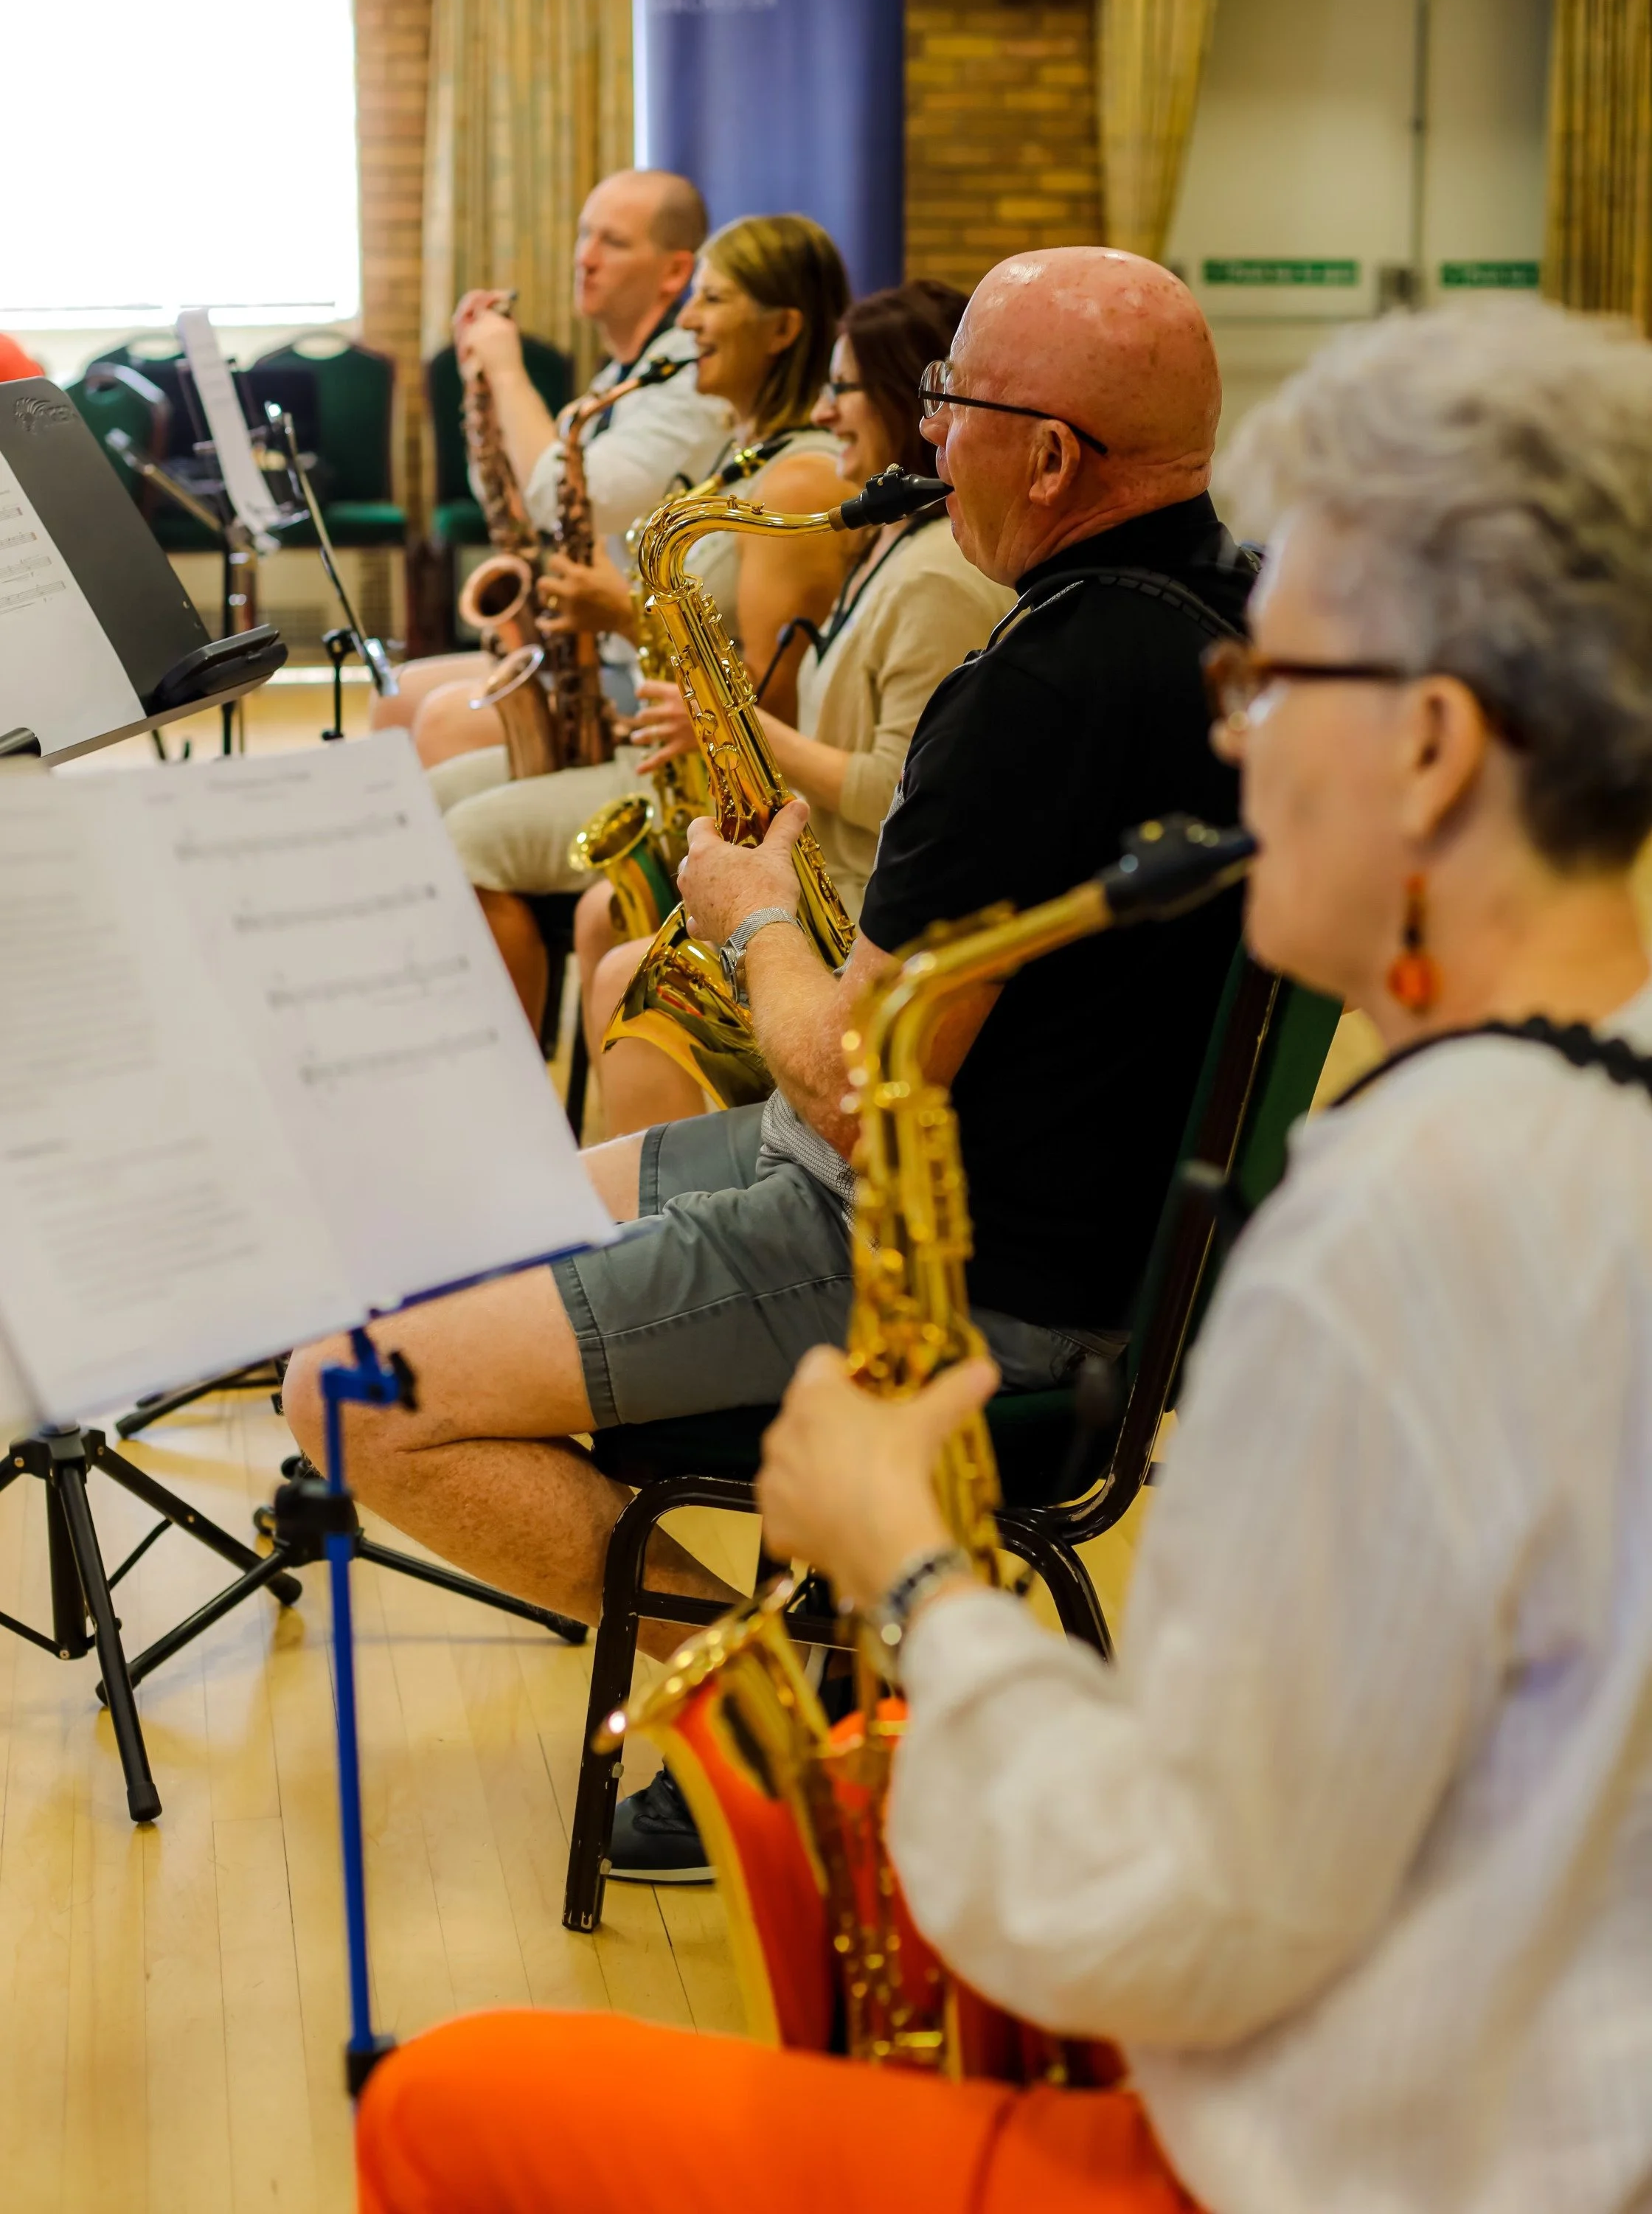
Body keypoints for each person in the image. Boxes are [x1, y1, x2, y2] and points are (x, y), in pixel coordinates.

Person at [355, 296, 1652, 2213]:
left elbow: (1161, 1923)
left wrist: (916, 1578)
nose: (1236, 734)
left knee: (440, 2110)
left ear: (1437, 749)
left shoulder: (1403, 1227)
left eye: (1273, 690)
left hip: (1359, 2157)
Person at [282, 246, 1248, 1881]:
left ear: (1054, 455)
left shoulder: (1036, 688)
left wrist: (741, 914)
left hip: (940, 1262)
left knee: (342, 1387)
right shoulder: (1233, 617)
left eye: (952, 408)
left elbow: (851, 1086)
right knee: (451, 1217)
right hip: (1044, 1223)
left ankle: (783, 1736)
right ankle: (792, 1677)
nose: (925, 442)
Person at [577, 275, 1010, 1137]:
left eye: (841, 388)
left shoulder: (933, 579)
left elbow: (893, 787)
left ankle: (682, 1220)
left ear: (903, 395)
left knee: (626, 972)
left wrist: (738, 726)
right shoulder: (890, 549)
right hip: (835, 880)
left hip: (858, 913)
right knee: (615, 940)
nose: (823, 409)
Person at [435, 210, 859, 1033]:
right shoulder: (737, 455)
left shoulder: (795, 482)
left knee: (463, 839)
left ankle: (514, 1101)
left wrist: (622, 616)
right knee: (425, 796)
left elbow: (774, 711)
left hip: (709, 789)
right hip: (658, 749)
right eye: (692, 297)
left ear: (782, 328)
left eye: (713, 300)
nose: (688, 322)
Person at [373, 166, 729, 768]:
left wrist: (510, 372)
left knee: (442, 720)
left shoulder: (688, 378)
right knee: (397, 694)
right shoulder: (619, 376)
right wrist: (481, 388)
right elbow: (513, 501)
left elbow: (567, 501)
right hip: (590, 649)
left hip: (649, 668)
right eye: (584, 234)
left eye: (612, 242)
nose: (585, 258)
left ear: (676, 270)